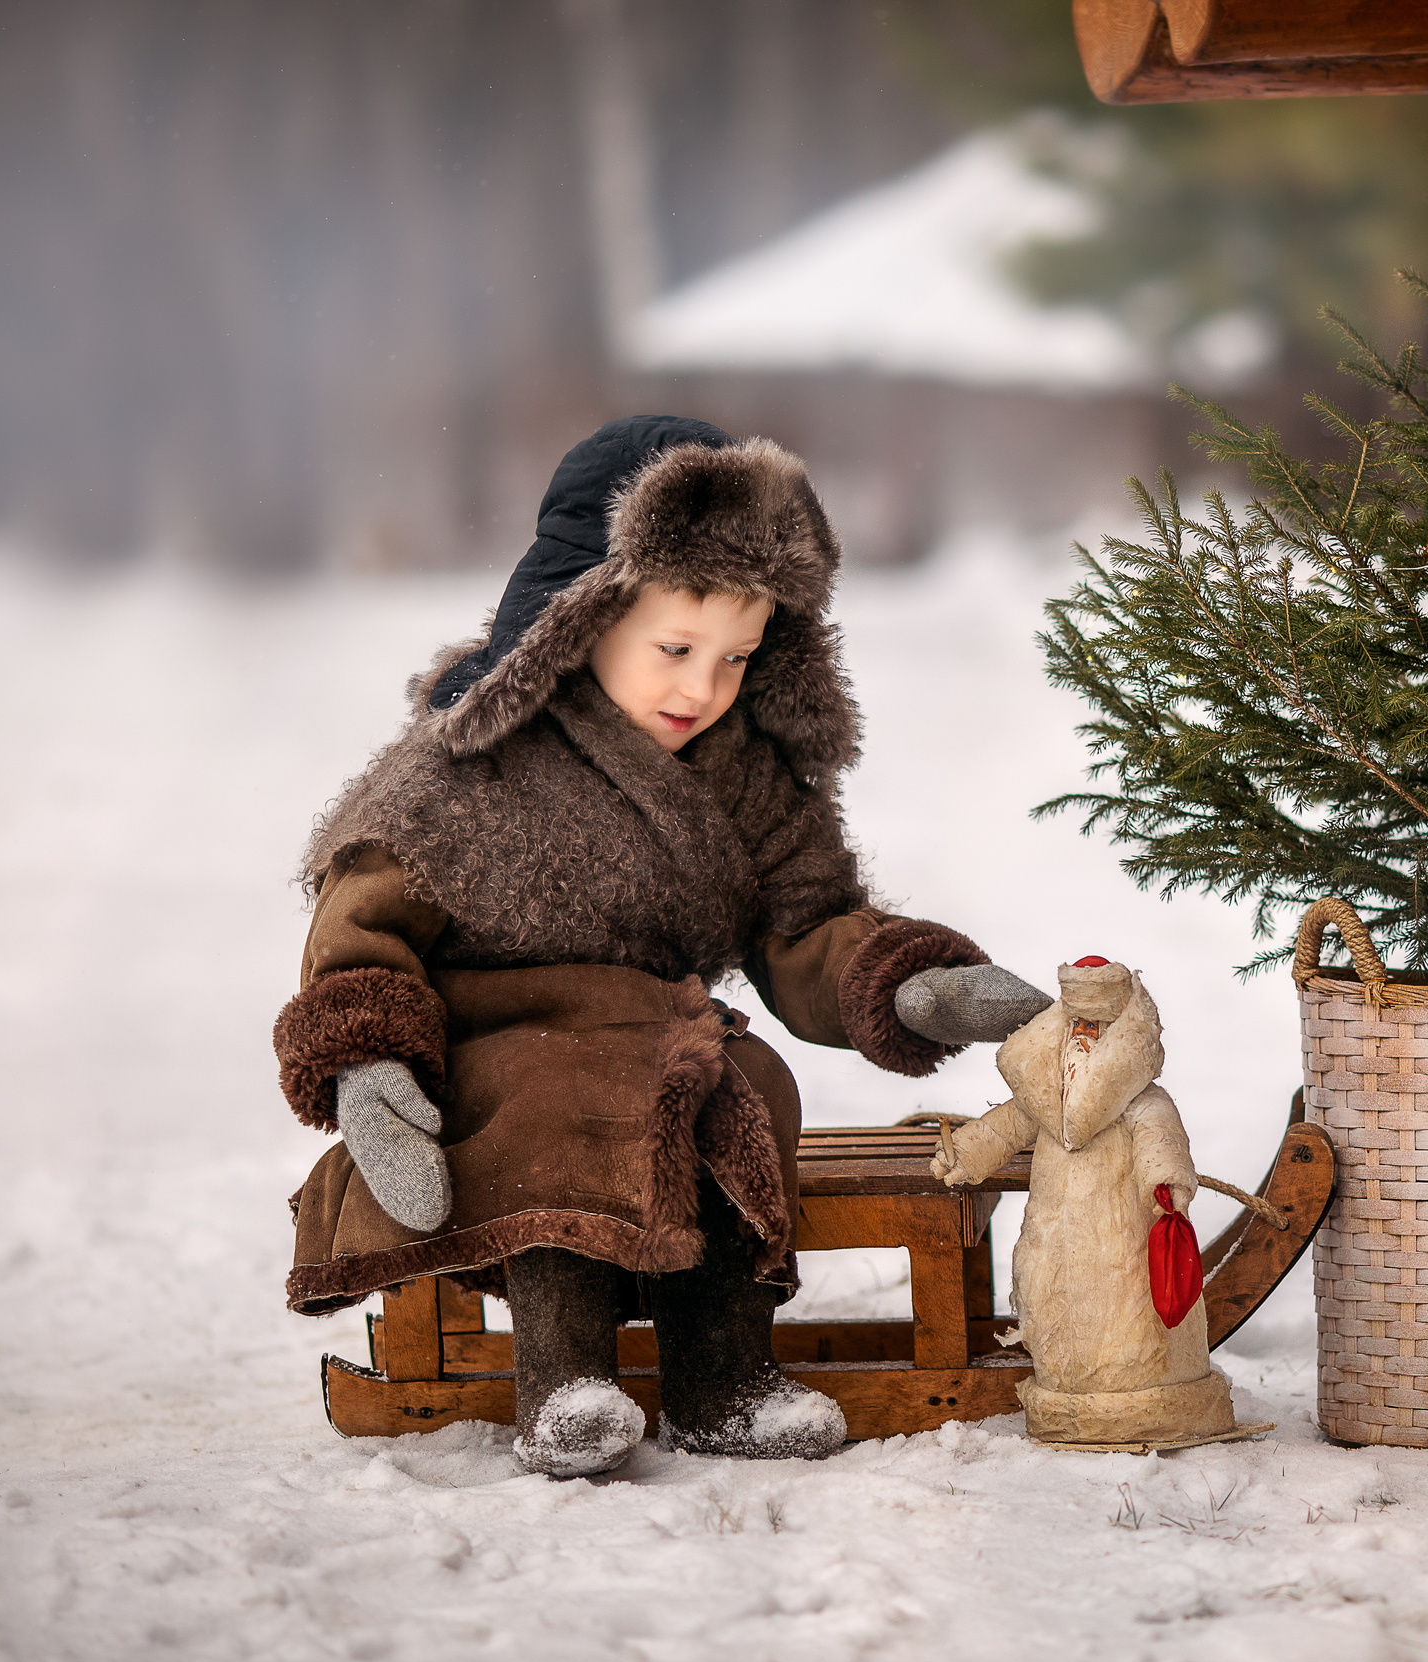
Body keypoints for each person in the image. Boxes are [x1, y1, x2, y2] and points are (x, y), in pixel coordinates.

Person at [272, 415, 1045, 1477]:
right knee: (558, 1105)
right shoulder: (463, 771)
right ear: (580, 616)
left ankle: (723, 1377)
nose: (702, 689)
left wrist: (907, 981)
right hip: (501, 1054)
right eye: (675, 650)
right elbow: (362, 935)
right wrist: (371, 1072)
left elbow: (805, 922)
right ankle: (562, 1382)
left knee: (741, 1088)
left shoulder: (742, 772)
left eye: (736, 657)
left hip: (659, 1035)